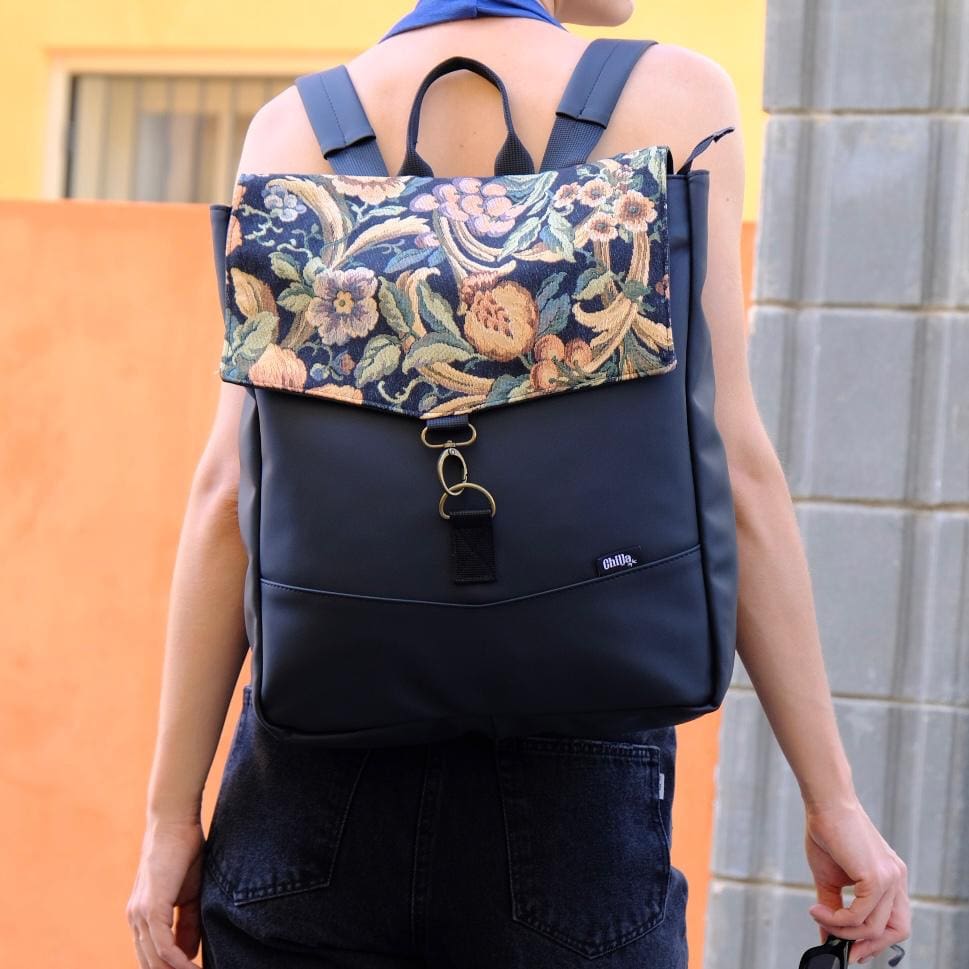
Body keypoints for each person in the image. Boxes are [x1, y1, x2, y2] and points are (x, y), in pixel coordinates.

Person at [125, 2, 912, 967]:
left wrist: (170, 817)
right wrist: (832, 801)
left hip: (308, 804)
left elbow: (225, 497)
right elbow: (734, 465)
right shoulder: (673, 99)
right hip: (573, 810)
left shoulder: (292, 129)